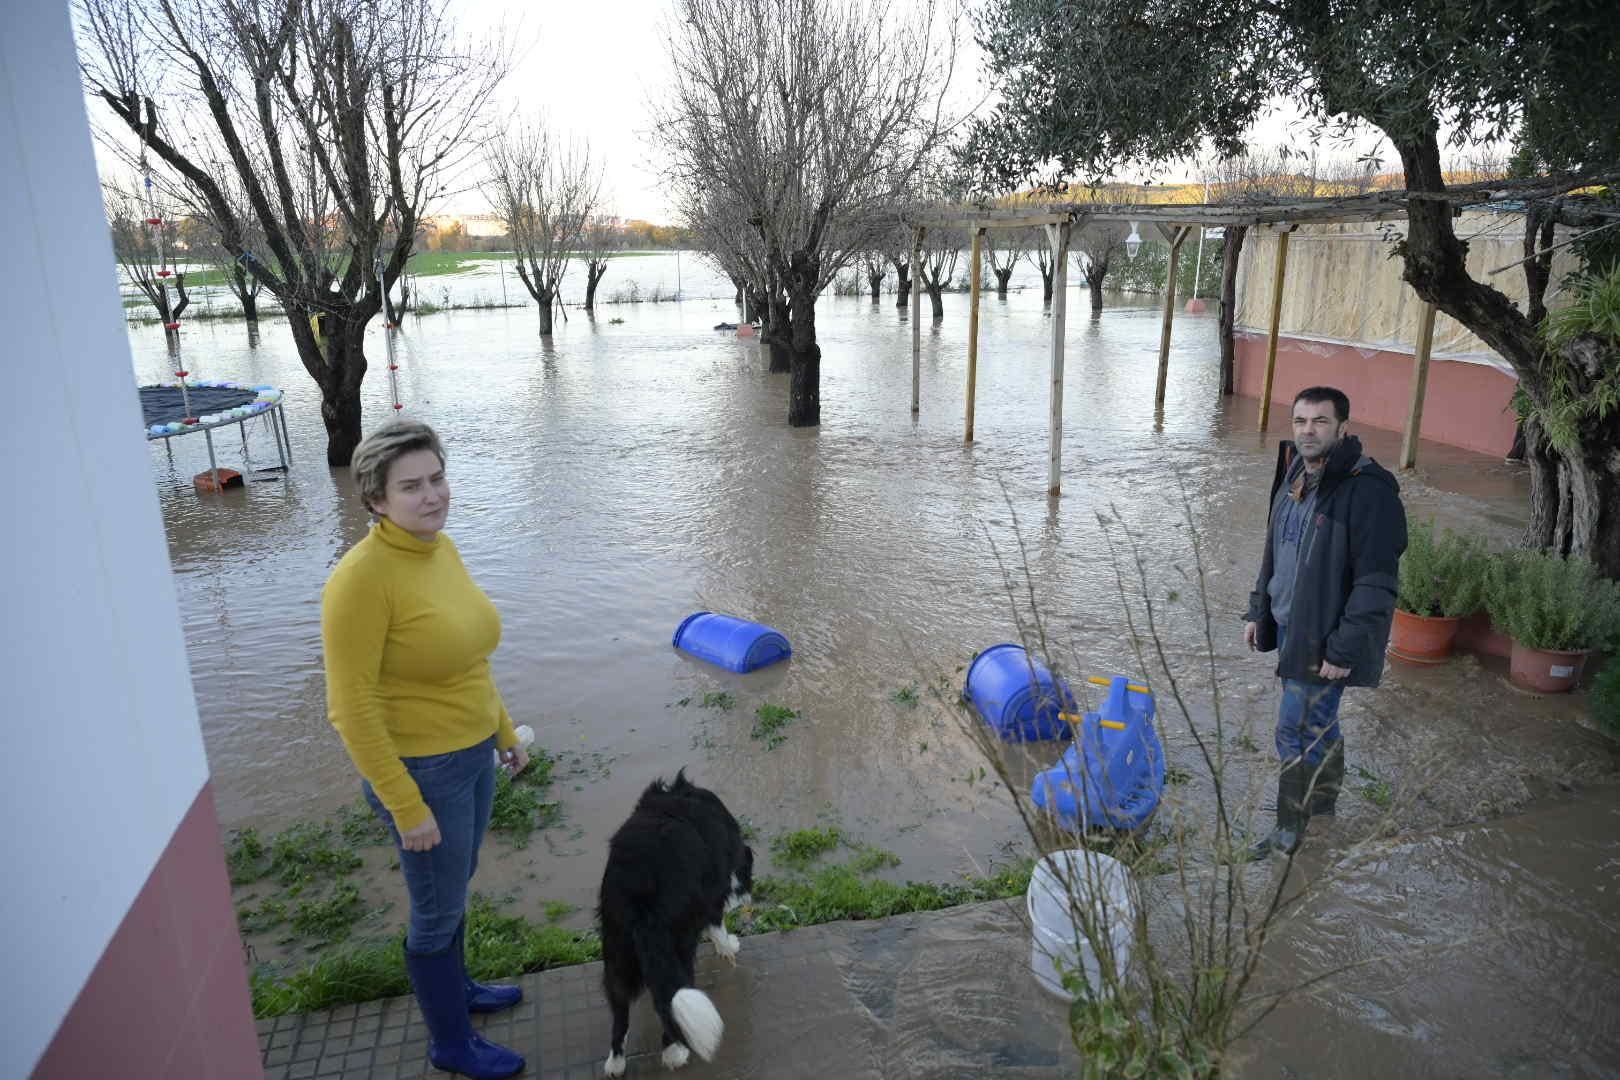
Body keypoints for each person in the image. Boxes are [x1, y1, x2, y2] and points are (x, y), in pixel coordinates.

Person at [322, 419, 529, 1079]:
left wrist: (501, 729)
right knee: (436, 910)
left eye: (437, 477)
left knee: (455, 885)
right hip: (421, 771)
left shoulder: (439, 547)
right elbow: (348, 708)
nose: (433, 495)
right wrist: (405, 806)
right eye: (411, 486)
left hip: (470, 756)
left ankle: (459, 992)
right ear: (375, 500)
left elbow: (467, 655)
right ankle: (450, 1043)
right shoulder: (359, 580)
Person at [1243, 387, 1407, 859]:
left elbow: (1376, 584)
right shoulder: (1295, 470)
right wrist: (1258, 609)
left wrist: (1343, 649)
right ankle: (1324, 806)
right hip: (1292, 625)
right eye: (1300, 421)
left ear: (1343, 428)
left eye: (1319, 421)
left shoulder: (1367, 491)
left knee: (1294, 731)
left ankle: (1289, 830)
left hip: (1325, 637)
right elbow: (1275, 548)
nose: (1308, 431)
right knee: (1318, 723)